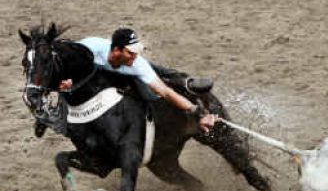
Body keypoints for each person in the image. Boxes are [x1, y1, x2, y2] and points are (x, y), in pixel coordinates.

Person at [61, 28, 217, 133]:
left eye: (136, 52)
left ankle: (185, 82)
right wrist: (68, 79)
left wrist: (197, 112)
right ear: (116, 50)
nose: (135, 56)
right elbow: (64, 61)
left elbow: (165, 92)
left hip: (122, 71)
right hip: (93, 69)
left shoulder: (136, 63)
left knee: (151, 89)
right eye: (131, 52)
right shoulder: (90, 48)